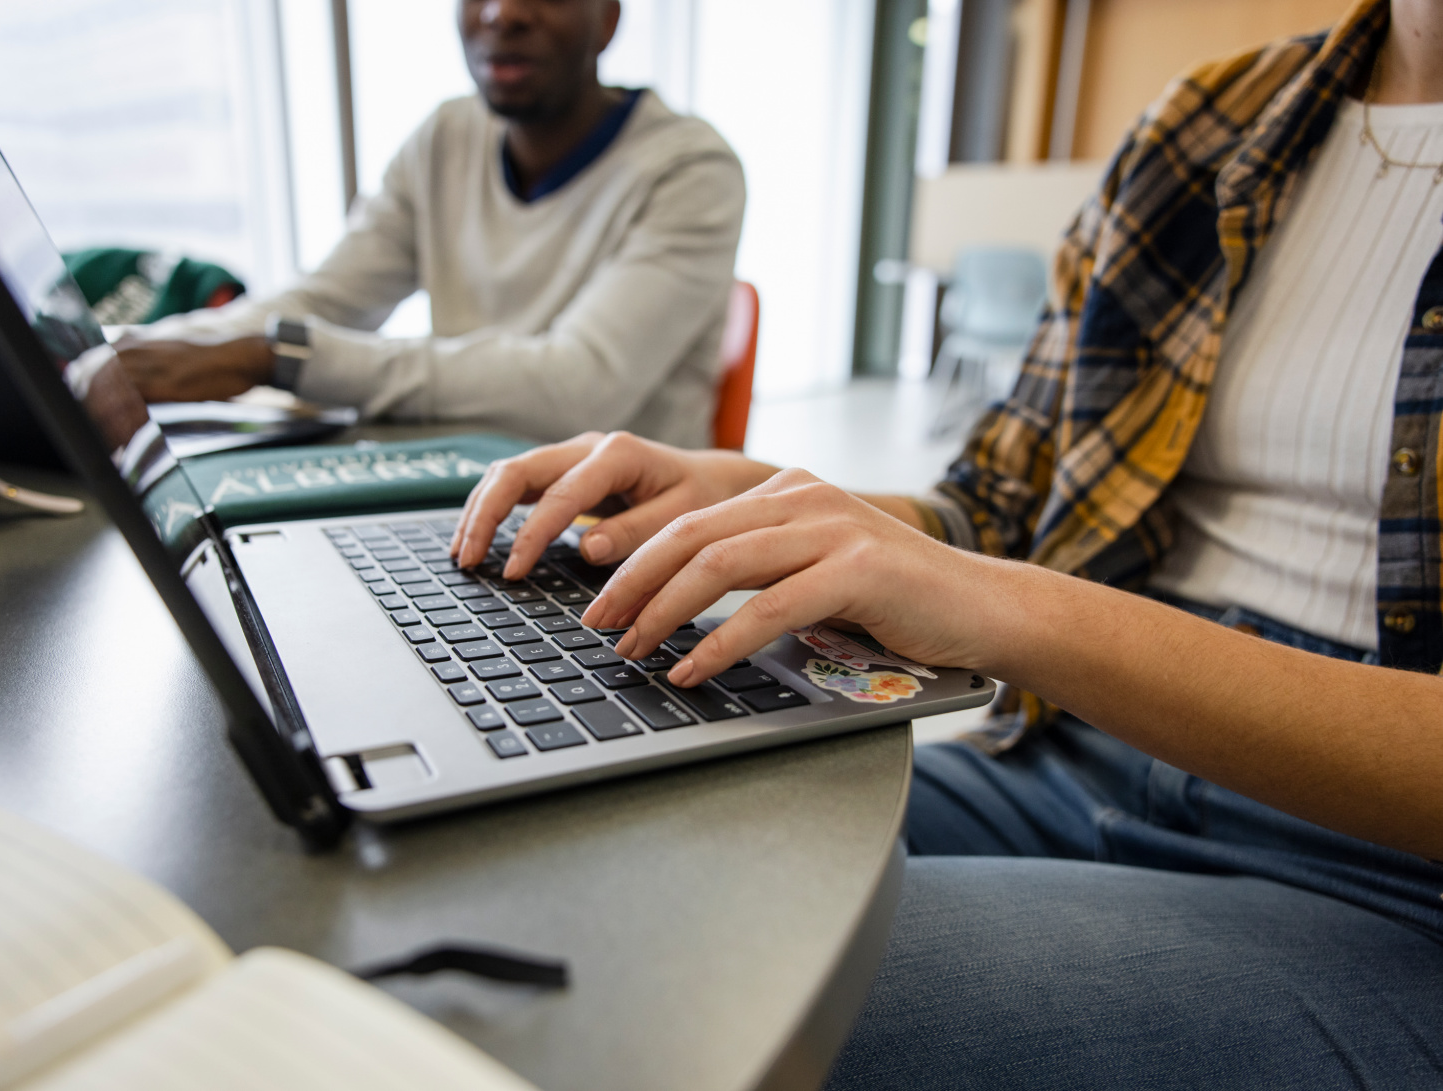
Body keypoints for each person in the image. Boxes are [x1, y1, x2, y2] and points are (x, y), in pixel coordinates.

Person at [447, 0, 1443, 1084]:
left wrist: (1016, 606)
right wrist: (773, 501)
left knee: (693, 994)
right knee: (567, 853)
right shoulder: (1208, 121)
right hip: (1074, 747)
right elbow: (998, 500)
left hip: (1385, 877)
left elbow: (1007, 587)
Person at [113, 0, 744, 448]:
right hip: (464, 488)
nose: (503, 13)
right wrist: (132, 353)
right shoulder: (447, 136)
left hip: (619, 536)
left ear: (606, 19)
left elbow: (574, 392)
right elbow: (323, 300)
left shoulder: (691, 170)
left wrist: (280, 356)